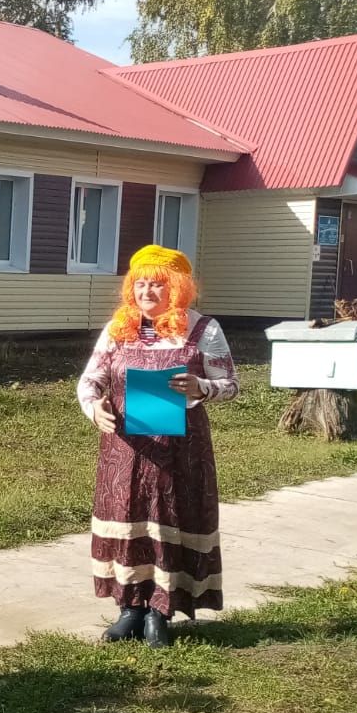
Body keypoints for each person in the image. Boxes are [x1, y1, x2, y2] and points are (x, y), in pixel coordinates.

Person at [79, 245, 240, 647]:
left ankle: (159, 613)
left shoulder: (204, 330)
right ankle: (130, 609)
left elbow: (232, 385)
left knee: (170, 520)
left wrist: (200, 387)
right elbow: (90, 380)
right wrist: (94, 407)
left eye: (158, 284)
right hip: (126, 450)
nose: (146, 292)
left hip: (180, 452)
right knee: (128, 518)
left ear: (179, 288)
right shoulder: (118, 330)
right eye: (140, 283)